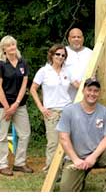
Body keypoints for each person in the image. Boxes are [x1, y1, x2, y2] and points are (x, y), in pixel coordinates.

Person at [56, 78, 106, 191]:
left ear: (99, 93)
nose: (92, 93)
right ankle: (78, 175)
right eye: (89, 90)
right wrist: (76, 160)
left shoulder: (105, 112)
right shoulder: (69, 110)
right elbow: (63, 138)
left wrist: (93, 157)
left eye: (96, 91)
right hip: (75, 157)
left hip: (97, 154)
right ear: (83, 91)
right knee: (66, 190)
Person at [30, 44, 74, 171]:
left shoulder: (67, 71)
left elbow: (77, 84)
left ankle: (66, 170)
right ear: (52, 55)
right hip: (51, 112)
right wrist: (41, 107)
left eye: (63, 55)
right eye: (58, 54)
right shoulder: (44, 71)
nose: (60, 57)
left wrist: (89, 81)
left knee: (67, 141)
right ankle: (50, 170)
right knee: (53, 143)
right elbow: (33, 89)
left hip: (67, 110)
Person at [0, 35, 32, 176]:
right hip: (2, 106)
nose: (12, 47)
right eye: (8, 45)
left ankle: (19, 163)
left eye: (13, 44)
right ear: (3, 49)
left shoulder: (22, 63)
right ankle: (2, 164)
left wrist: (16, 105)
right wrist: (7, 107)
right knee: (1, 136)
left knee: (25, 134)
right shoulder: (1, 64)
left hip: (19, 105)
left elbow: (24, 85)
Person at [64, 28, 93, 100]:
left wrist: (86, 84)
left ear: (83, 38)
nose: (76, 39)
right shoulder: (62, 52)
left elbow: (96, 71)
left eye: (79, 37)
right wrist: (71, 81)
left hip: (86, 94)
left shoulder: (91, 53)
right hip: (65, 95)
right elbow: (55, 70)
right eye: (73, 37)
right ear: (69, 39)